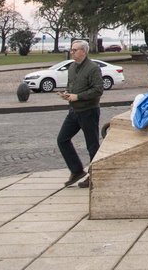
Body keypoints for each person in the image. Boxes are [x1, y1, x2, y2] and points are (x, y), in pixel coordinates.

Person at [56, 39, 103, 188]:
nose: (72, 52)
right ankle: (76, 171)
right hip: (74, 111)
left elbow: (98, 90)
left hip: (89, 111)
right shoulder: (71, 67)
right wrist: (67, 94)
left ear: (83, 51)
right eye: (71, 49)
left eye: (75, 50)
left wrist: (79, 97)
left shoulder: (93, 68)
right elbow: (72, 86)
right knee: (62, 139)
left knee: (92, 145)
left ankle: (95, 176)